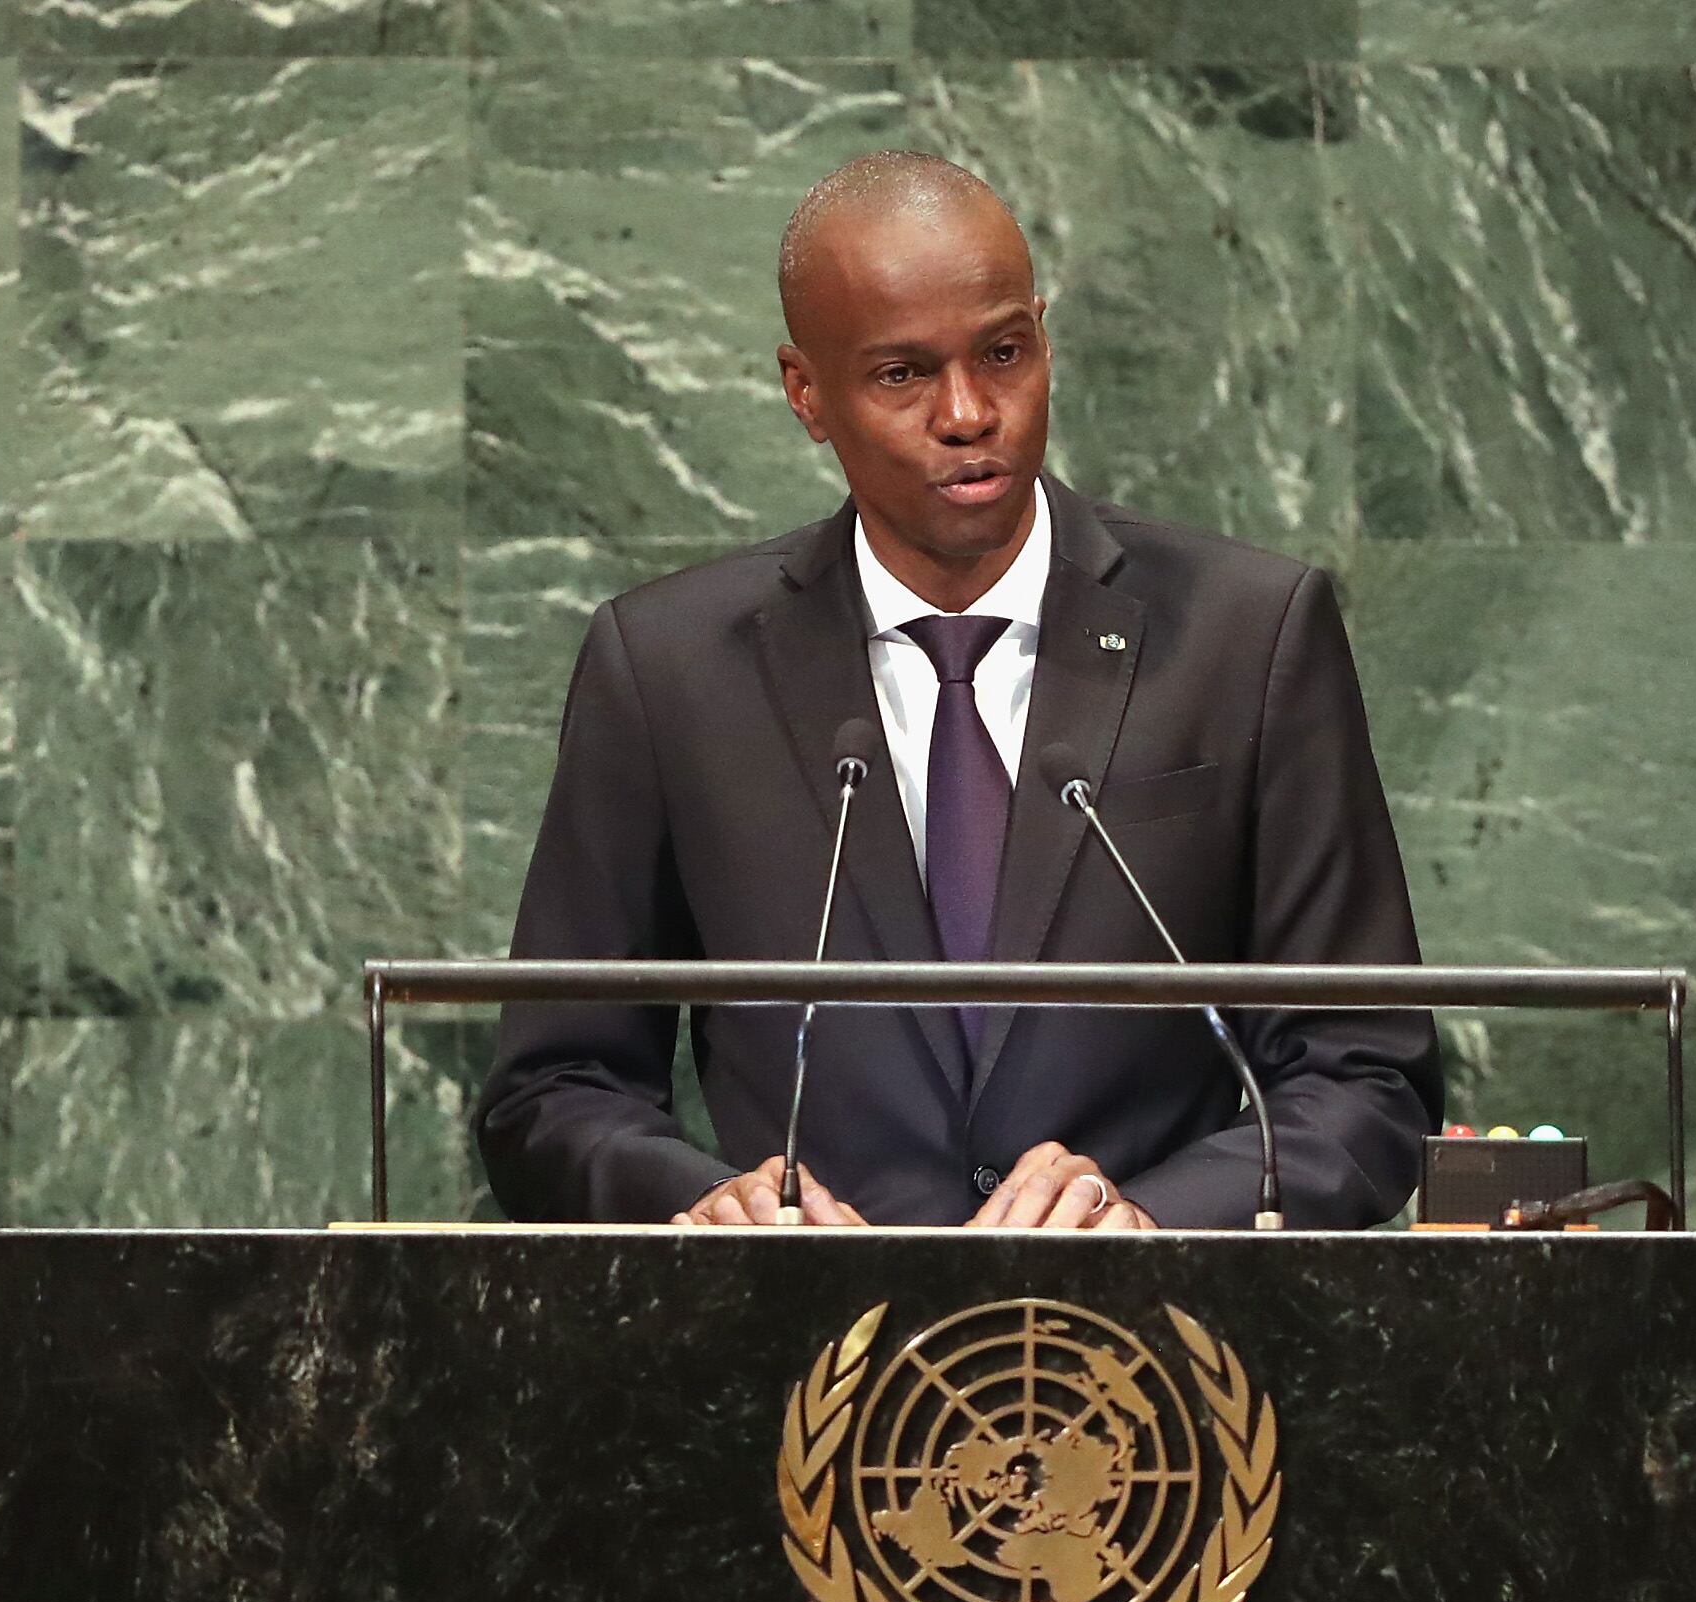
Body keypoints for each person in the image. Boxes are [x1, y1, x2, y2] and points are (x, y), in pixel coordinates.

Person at [475, 151, 1437, 1229]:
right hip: (801, 1363)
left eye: (1003, 353)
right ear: (806, 393)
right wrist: (707, 1207)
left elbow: (1369, 1077)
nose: (970, 412)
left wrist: (1157, 1220)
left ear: (1043, 339)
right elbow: (553, 1090)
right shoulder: (667, 670)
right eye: (902, 375)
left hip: (1160, 1361)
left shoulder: (1246, 636)